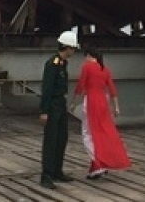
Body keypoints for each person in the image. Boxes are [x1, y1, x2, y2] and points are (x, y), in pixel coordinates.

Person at [69, 47, 132, 179]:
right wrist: (116, 107)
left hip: (91, 101)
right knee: (101, 134)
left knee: (87, 134)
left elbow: (80, 86)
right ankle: (95, 168)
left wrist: (73, 102)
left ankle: (100, 163)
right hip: (103, 102)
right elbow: (112, 89)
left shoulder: (87, 67)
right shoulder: (105, 69)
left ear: (89, 55)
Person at [39, 30, 79, 190]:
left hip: (60, 103)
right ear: (67, 47)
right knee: (51, 139)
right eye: (73, 48)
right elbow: (47, 88)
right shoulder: (52, 64)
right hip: (53, 104)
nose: (74, 51)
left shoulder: (63, 64)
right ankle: (46, 175)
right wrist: (44, 111)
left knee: (62, 137)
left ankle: (57, 171)